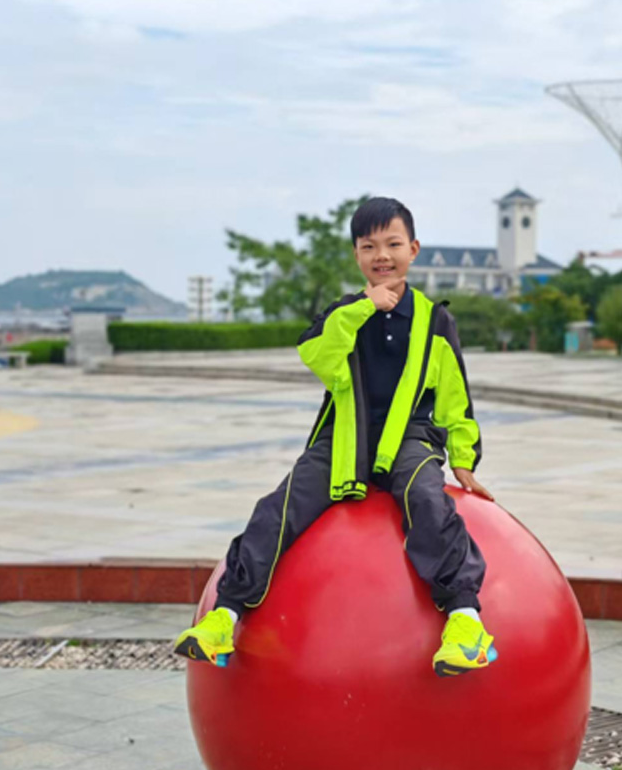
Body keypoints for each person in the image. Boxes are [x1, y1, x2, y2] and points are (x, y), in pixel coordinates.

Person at [174, 197, 497, 677]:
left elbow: (455, 397)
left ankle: (466, 622)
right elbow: (318, 356)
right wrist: (364, 307)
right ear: (356, 255)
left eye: (392, 244)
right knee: (278, 507)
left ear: (413, 249)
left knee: (427, 499)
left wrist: (464, 460)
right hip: (345, 437)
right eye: (369, 246)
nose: (381, 255)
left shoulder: (435, 320)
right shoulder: (344, 312)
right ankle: (225, 617)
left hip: (410, 437)